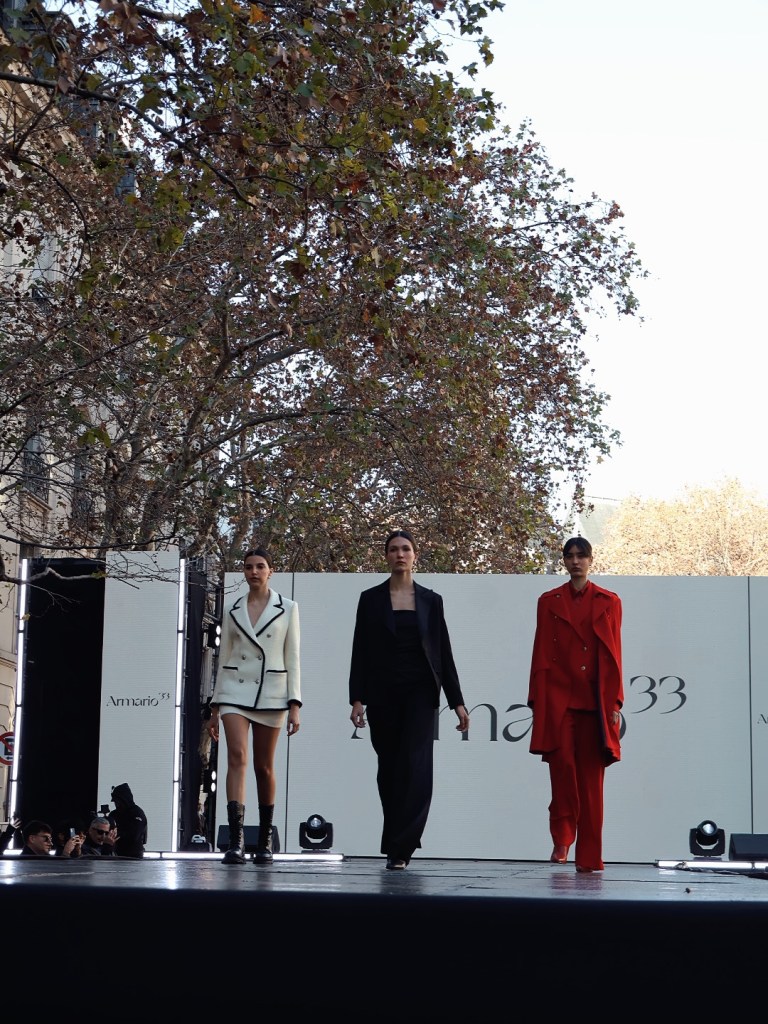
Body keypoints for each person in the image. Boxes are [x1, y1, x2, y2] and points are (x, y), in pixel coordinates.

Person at [349, 529, 470, 870]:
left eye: (405, 549)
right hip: (382, 693)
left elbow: (443, 652)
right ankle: (394, 840)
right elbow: (361, 650)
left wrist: (457, 701)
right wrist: (356, 698)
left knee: (416, 767)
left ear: (415, 555)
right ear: (386, 556)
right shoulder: (370, 599)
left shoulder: (431, 600)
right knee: (389, 769)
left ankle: (402, 848)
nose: (400, 554)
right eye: (393, 549)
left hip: (420, 692)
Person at [527, 536, 623, 873]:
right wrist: (537, 698)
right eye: (570, 556)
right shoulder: (548, 601)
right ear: (564, 561)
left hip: (595, 701)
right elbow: (541, 650)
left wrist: (615, 701)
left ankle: (590, 855)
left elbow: (614, 653)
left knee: (592, 782)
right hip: (559, 698)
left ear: (590, 560)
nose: (575, 561)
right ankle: (563, 837)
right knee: (562, 769)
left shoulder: (609, 601)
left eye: (581, 556)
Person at [208, 546, 301, 866]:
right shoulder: (232, 608)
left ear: (270, 571)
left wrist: (295, 703)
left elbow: (293, 657)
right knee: (236, 757)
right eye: (249, 567)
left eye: (260, 566)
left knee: (264, 766)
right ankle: (235, 842)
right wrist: (215, 705)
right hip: (234, 690)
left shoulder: (288, 608)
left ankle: (264, 840)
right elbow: (223, 658)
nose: (254, 572)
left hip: (272, 693)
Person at [108, 783, 148, 858]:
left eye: (118, 801)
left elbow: (134, 835)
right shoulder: (114, 814)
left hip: (133, 856)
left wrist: (116, 834)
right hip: (116, 853)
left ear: (124, 800)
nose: (116, 804)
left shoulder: (137, 813)